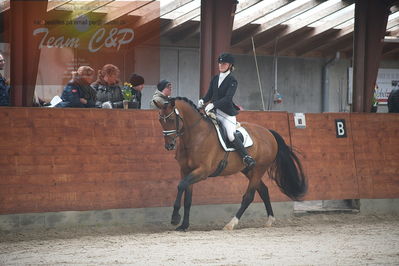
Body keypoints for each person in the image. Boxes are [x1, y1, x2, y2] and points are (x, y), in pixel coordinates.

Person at [198, 53, 256, 169]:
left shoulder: (232, 80)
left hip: (226, 114)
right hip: (213, 113)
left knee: (230, 135)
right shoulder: (215, 78)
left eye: (223, 64)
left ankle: (246, 157)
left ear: (230, 65)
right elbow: (209, 94)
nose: (220, 65)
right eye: (220, 63)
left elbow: (227, 98)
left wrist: (213, 104)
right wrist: (202, 100)